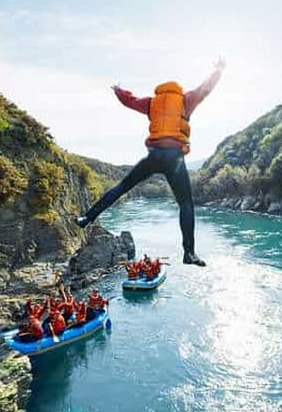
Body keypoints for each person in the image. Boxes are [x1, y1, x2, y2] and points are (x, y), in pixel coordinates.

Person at [75, 58, 227, 267]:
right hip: (174, 158)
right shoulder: (186, 99)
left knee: (122, 187)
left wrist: (118, 90)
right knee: (185, 204)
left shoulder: (151, 103)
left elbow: (130, 101)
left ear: (161, 92)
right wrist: (219, 69)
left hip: (154, 155)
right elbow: (206, 88)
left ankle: (87, 218)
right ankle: (189, 253)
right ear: (176, 90)